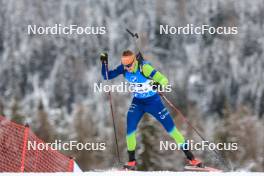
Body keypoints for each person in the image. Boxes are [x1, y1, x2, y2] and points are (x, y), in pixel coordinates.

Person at [100, 50, 203, 170]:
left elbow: (164, 80)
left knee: (172, 130)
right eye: (124, 65)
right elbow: (106, 76)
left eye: (128, 65)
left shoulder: (145, 68)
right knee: (130, 130)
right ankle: (131, 162)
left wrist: (158, 85)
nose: (126, 68)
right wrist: (104, 63)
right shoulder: (123, 68)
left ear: (134, 62)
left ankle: (192, 159)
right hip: (138, 103)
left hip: (153, 102)